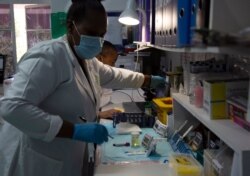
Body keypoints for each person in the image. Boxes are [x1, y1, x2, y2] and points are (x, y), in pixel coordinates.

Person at [0, 0, 166, 176]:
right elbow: (12, 107)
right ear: (71, 27)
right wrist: (74, 130)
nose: (97, 41)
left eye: (101, 35)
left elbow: (113, 75)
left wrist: (147, 80)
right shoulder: (48, 56)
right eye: (91, 33)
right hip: (34, 160)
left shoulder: (87, 60)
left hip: (65, 155)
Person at [96, 40, 122, 119]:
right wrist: (100, 114)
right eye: (113, 61)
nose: (114, 66)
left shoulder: (101, 76)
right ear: (100, 58)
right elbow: (79, 111)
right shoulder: (86, 76)